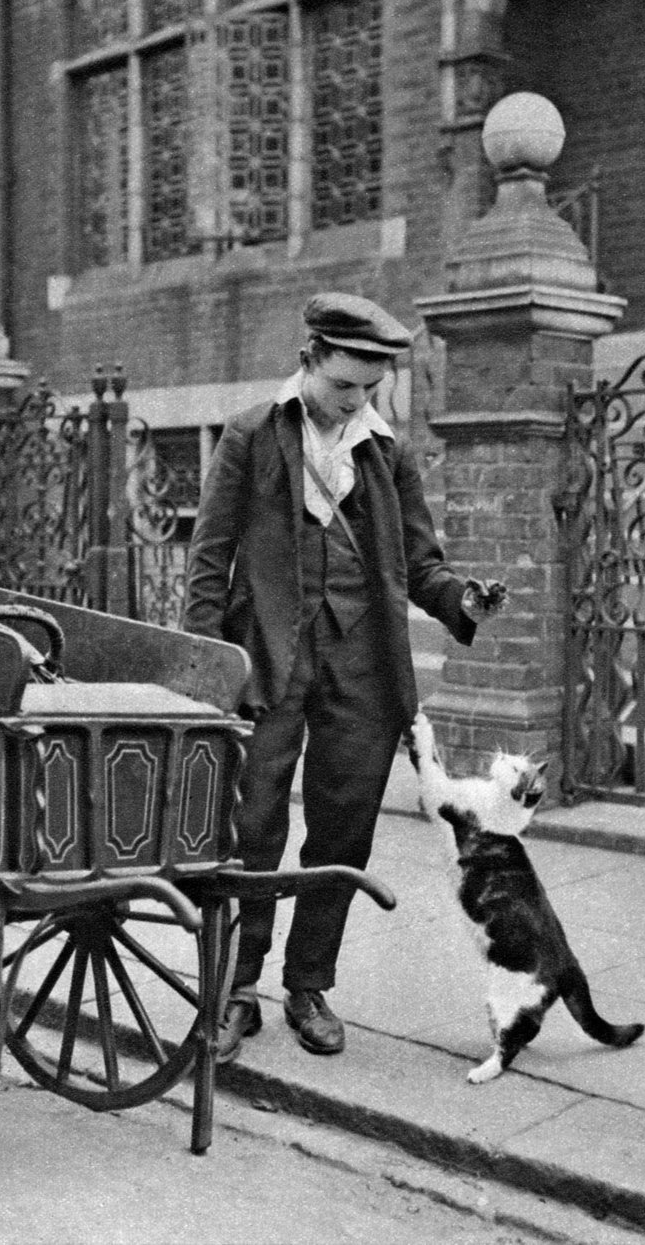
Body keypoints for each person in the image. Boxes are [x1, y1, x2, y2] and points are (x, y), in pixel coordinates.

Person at [183, 292, 506, 1062]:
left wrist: (460, 597)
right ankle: (235, 987)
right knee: (250, 827)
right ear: (309, 364)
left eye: (368, 390)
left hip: (362, 668)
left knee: (341, 833)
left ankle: (307, 984)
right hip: (266, 661)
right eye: (341, 388)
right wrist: (202, 666)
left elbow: (418, 563)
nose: (353, 403)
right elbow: (208, 557)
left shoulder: (385, 453)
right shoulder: (251, 435)